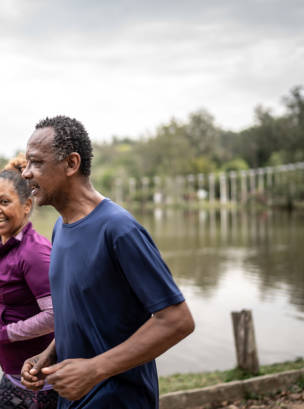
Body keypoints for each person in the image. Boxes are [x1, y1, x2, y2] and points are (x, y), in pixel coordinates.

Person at [20, 116, 195, 408]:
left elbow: (177, 320)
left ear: (71, 164)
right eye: (27, 163)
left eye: (36, 163)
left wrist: (94, 369)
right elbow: (80, 313)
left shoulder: (119, 229)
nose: (26, 173)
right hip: (73, 401)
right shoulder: (61, 228)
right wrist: (51, 353)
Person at [0, 155, 59, 409]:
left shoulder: (34, 252)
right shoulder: (5, 242)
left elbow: (56, 314)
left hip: (41, 380)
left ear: (27, 205)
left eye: (4, 201)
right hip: (13, 374)